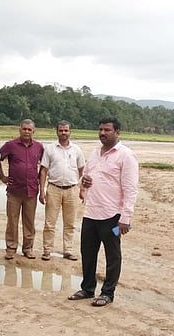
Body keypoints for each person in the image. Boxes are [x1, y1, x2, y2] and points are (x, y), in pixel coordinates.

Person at [67, 117, 138, 307]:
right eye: (100, 129)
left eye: (107, 130)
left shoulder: (126, 156)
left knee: (112, 255)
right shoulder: (95, 153)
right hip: (91, 212)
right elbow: (84, 177)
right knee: (88, 253)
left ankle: (108, 293)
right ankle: (88, 288)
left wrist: (125, 218)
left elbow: (130, 189)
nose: (102, 133)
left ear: (117, 132)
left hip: (113, 216)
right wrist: (85, 181)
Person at [0, 119, 44, 260]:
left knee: (29, 222)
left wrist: (40, 183)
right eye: (24, 129)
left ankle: (28, 248)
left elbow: (45, 165)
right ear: (20, 130)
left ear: (33, 131)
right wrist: (3, 177)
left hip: (31, 191)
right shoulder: (11, 145)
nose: (26, 132)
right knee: (12, 220)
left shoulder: (39, 147)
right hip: (14, 191)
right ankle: (11, 248)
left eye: (29, 129)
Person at [39, 121, 84, 261]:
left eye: (66, 130)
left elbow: (82, 170)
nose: (63, 133)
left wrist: (82, 190)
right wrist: (42, 190)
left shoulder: (76, 150)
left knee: (70, 223)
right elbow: (43, 170)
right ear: (56, 132)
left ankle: (68, 250)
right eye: (61, 130)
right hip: (54, 188)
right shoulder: (50, 149)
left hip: (72, 190)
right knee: (49, 222)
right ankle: (47, 250)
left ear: (70, 132)